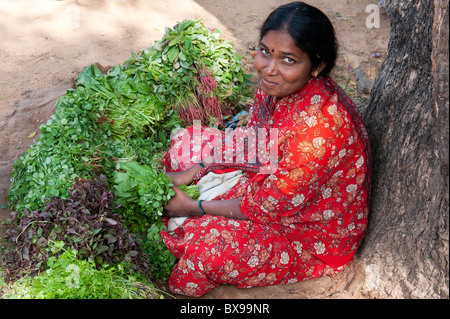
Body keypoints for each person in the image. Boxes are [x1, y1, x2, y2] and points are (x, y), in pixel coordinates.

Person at [160, 1, 372, 297]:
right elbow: (256, 140)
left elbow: (270, 207)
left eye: (288, 60)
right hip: (273, 191)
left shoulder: (320, 128)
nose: (269, 69)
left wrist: (192, 207)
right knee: (190, 146)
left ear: (317, 66)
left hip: (309, 234)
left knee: (207, 246)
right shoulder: (274, 86)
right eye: (265, 52)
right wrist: (194, 171)